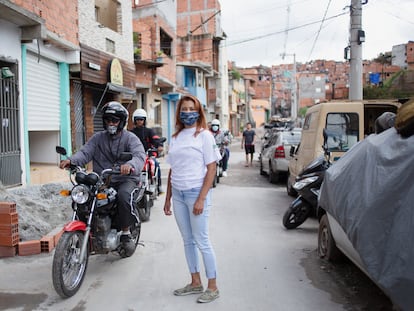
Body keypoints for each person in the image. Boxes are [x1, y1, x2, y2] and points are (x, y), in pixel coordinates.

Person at [59, 101, 146, 255]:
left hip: (126, 179)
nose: (111, 123)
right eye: (108, 120)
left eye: (114, 120)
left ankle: (125, 232)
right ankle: (89, 229)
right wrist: (71, 161)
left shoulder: (130, 138)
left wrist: (130, 165)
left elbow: (139, 156)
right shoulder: (98, 138)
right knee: (85, 197)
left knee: (123, 196)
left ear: (121, 122)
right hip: (102, 180)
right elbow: (85, 152)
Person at [163, 94, 221, 303]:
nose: (187, 113)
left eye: (191, 109)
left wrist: (201, 199)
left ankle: (212, 286)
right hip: (178, 194)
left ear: (199, 112)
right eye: (184, 109)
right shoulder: (176, 137)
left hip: (196, 192)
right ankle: (195, 282)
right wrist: (168, 197)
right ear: (179, 112)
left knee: (202, 240)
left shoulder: (204, 135)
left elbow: (212, 168)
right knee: (187, 240)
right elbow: (173, 168)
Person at [130, 108, 164, 194]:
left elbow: (155, 139)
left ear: (144, 120)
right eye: (137, 119)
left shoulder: (149, 131)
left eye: (141, 119)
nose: (139, 121)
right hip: (135, 156)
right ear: (134, 120)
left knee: (155, 164)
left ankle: (159, 186)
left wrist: (159, 145)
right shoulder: (130, 133)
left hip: (147, 155)